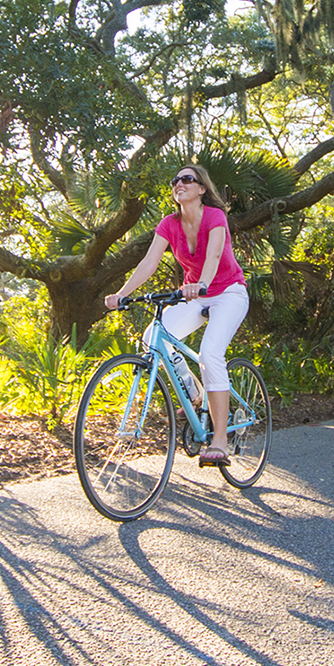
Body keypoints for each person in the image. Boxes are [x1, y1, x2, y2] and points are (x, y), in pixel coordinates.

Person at [104, 165, 249, 467]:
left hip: (228, 292)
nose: (178, 184)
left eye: (187, 179)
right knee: (152, 339)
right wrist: (122, 293)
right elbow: (149, 263)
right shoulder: (169, 223)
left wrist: (204, 284)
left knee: (210, 353)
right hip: (194, 293)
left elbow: (213, 255)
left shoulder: (215, 217)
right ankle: (194, 391)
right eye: (175, 180)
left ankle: (219, 440)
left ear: (201, 189)